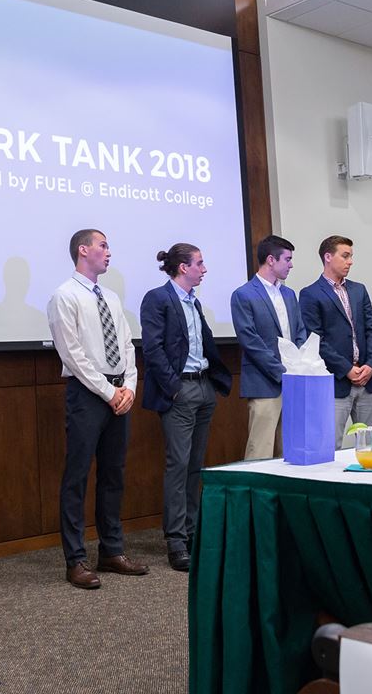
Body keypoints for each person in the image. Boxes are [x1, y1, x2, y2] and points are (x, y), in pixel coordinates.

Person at [47, 229, 148, 589]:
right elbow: (73, 355)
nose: (109, 252)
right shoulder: (64, 296)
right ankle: (75, 560)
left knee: (113, 474)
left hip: (118, 391)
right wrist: (108, 392)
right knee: (76, 477)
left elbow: (127, 345)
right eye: (103, 245)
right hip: (88, 395)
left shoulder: (111, 297)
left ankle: (111, 551)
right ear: (83, 250)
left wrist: (130, 387)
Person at [139, 243, 232, 572]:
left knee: (195, 465)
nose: (204, 269)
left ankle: (192, 533)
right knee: (177, 465)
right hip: (180, 391)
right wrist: (174, 388)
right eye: (200, 263)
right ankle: (176, 540)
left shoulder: (195, 302)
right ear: (182, 267)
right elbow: (152, 348)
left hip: (204, 387)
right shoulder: (158, 298)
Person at [299, 236, 372, 449]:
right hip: (336, 382)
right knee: (330, 447)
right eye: (345, 256)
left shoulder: (359, 290)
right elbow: (316, 340)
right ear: (328, 257)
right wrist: (346, 369)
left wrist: (371, 365)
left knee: (371, 446)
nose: (350, 261)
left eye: (351, 256)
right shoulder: (310, 294)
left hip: (367, 380)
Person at [230, 235, 308, 459]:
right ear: (271, 260)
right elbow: (250, 341)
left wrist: (299, 366)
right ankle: (256, 495)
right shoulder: (243, 295)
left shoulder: (289, 294)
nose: (291, 265)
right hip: (264, 383)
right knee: (260, 450)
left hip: (294, 381)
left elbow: (299, 331)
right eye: (288, 259)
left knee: (292, 450)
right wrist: (281, 371)